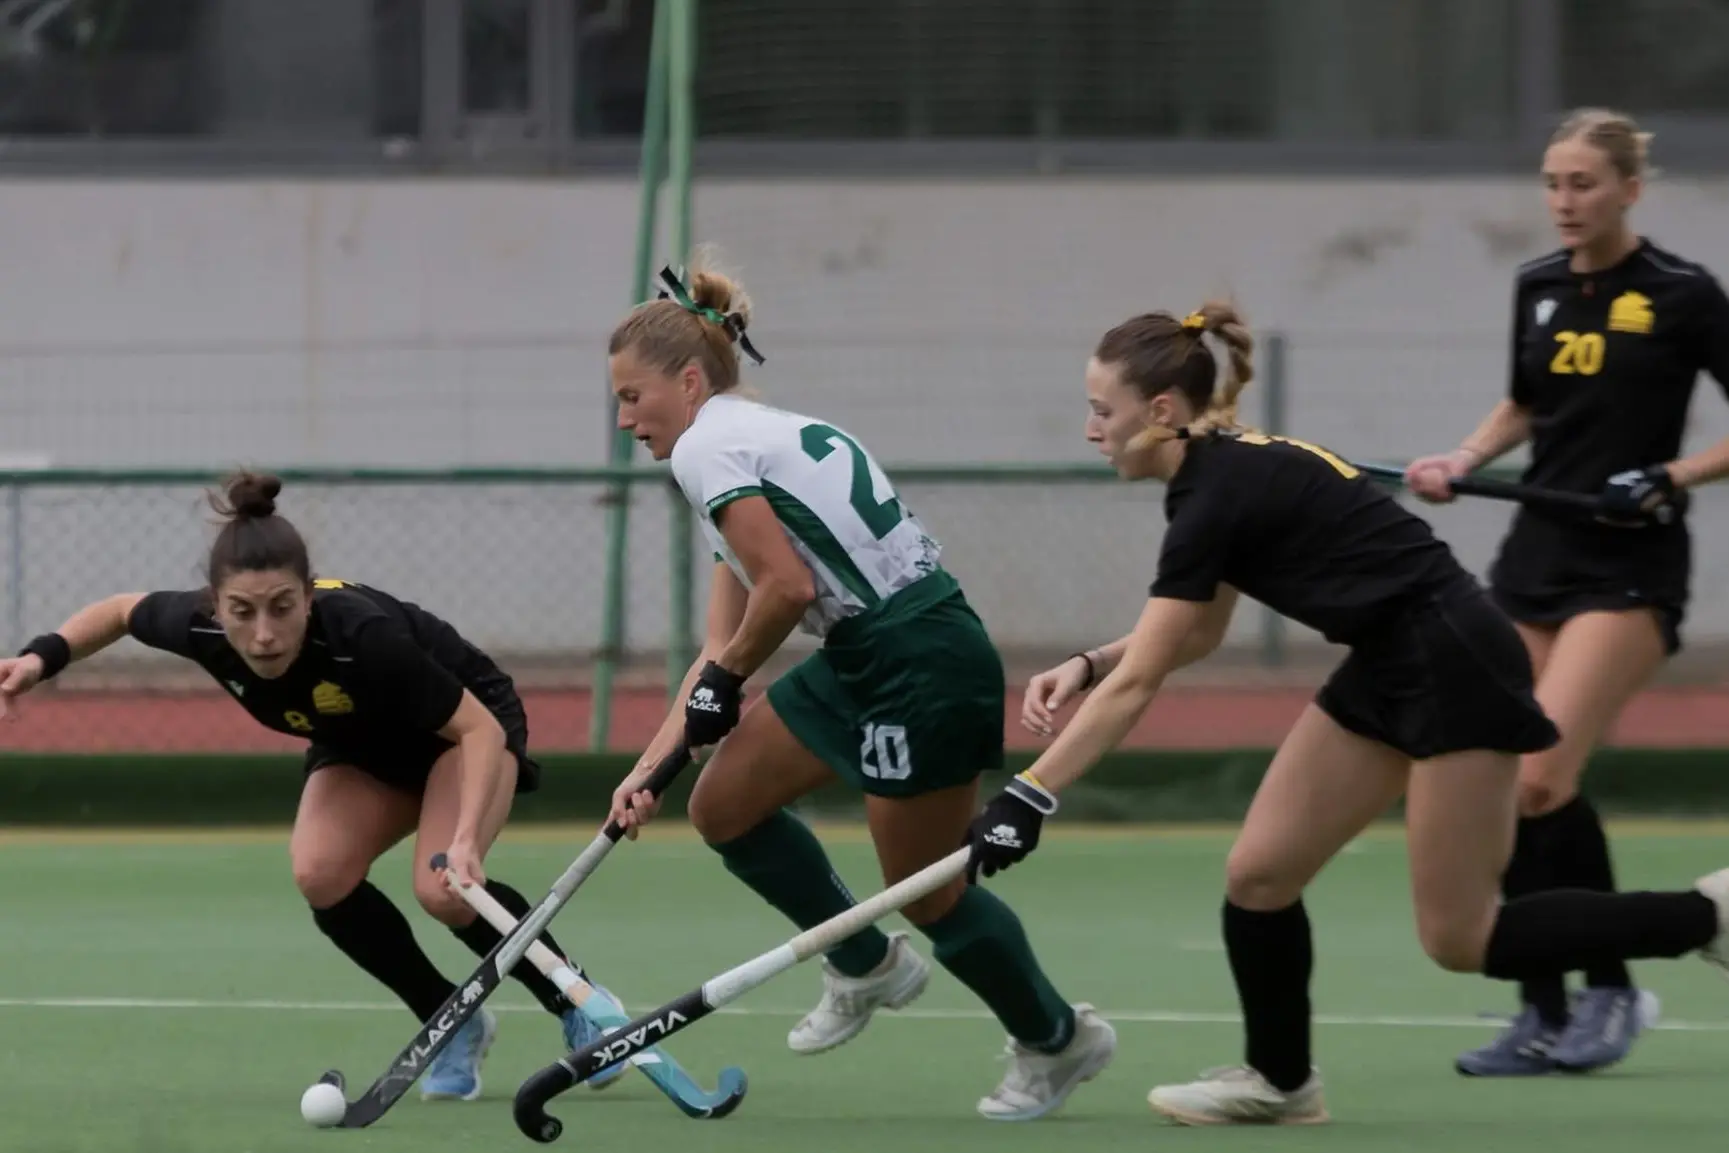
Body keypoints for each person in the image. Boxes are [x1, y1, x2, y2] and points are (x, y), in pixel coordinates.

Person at [959, 301, 1729, 1126]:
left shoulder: (1216, 491)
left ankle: (1706, 915)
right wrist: (1087, 663)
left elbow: (1143, 681)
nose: (1088, 429)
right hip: (1387, 661)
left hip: (1449, 662)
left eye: (1099, 411)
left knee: (1461, 937)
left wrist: (1030, 794)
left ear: (1159, 412)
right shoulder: (1213, 479)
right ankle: (1281, 1082)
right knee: (1259, 875)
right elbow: (1195, 632)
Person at [603, 259, 1117, 1122]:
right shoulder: (755, 435)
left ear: (687, 380)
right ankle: (867, 962)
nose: (624, 420)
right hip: (864, 652)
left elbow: (785, 593)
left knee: (927, 886)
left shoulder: (705, 449)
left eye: (631, 396)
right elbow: (724, 645)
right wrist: (652, 766)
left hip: (918, 658)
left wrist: (722, 685)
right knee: (722, 803)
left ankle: (1057, 1038)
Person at [0, 472, 630, 1103]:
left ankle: (576, 1001)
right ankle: (450, 1019)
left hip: (464, 731)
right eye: (242, 612)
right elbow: (117, 612)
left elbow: (477, 729)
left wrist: (466, 841)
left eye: (282, 607)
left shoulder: (362, 636)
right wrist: (37, 659)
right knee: (320, 872)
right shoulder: (199, 628)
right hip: (360, 744)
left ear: (308, 596)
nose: (265, 634)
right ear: (214, 607)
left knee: (445, 888)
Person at [1404, 107, 1729, 1076]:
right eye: (1551, 183)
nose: (1563, 201)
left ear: (1630, 188)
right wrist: (1461, 456)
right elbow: (1526, 402)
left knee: (1541, 773)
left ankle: (1614, 991)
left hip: (1629, 567)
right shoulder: (1536, 285)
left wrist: (1671, 475)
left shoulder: (1681, 293)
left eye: (1583, 183)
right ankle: (1544, 1012)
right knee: (1509, 786)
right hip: (1531, 558)